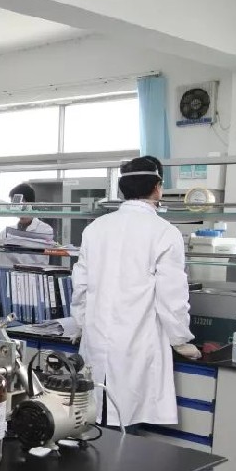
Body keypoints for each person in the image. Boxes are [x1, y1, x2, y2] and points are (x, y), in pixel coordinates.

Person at [71, 156, 199, 429]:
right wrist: (181, 340)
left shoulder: (95, 228)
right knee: (126, 426)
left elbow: (80, 285)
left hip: (95, 340)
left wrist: (83, 325)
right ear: (157, 188)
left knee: (93, 422)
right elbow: (172, 296)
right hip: (137, 344)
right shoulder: (165, 232)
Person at [0, 183, 54, 267]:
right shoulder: (5, 232)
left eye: (17, 203)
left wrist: (9, 250)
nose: (14, 207)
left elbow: (36, 260)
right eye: (13, 203)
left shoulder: (45, 230)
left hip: (32, 274)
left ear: (29, 203)